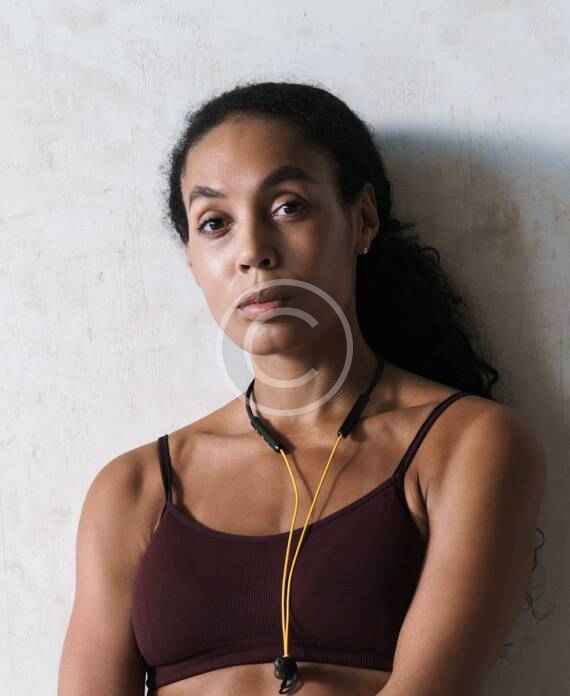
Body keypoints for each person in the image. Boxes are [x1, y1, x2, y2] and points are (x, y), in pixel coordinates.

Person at [58, 81, 546, 696]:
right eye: (215, 223)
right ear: (192, 261)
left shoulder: (465, 444)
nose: (253, 252)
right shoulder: (136, 488)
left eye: (288, 207)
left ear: (362, 219)